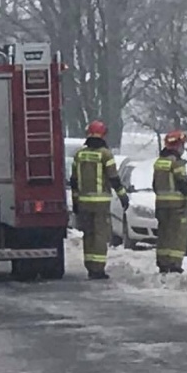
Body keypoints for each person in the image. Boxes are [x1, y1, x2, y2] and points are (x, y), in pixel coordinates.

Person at [69, 120, 128, 280]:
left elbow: (73, 180)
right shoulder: (105, 154)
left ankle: (90, 266)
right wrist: (123, 196)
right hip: (100, 204)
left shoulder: (79, 155)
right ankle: (98, 269)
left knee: (88, 234)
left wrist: (75, 201)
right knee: (100, 235)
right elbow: (114, 178)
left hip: (83, 203)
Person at [153, 129, 187, 274]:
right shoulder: (176, 162)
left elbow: (155, 185)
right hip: (176, 206)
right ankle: (175, 264)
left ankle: (163, 262)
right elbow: (183, 183)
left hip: (161, 205)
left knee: (164, 234)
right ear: (178, 145)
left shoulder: (159, 162)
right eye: (182, 145)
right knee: (178, 235)